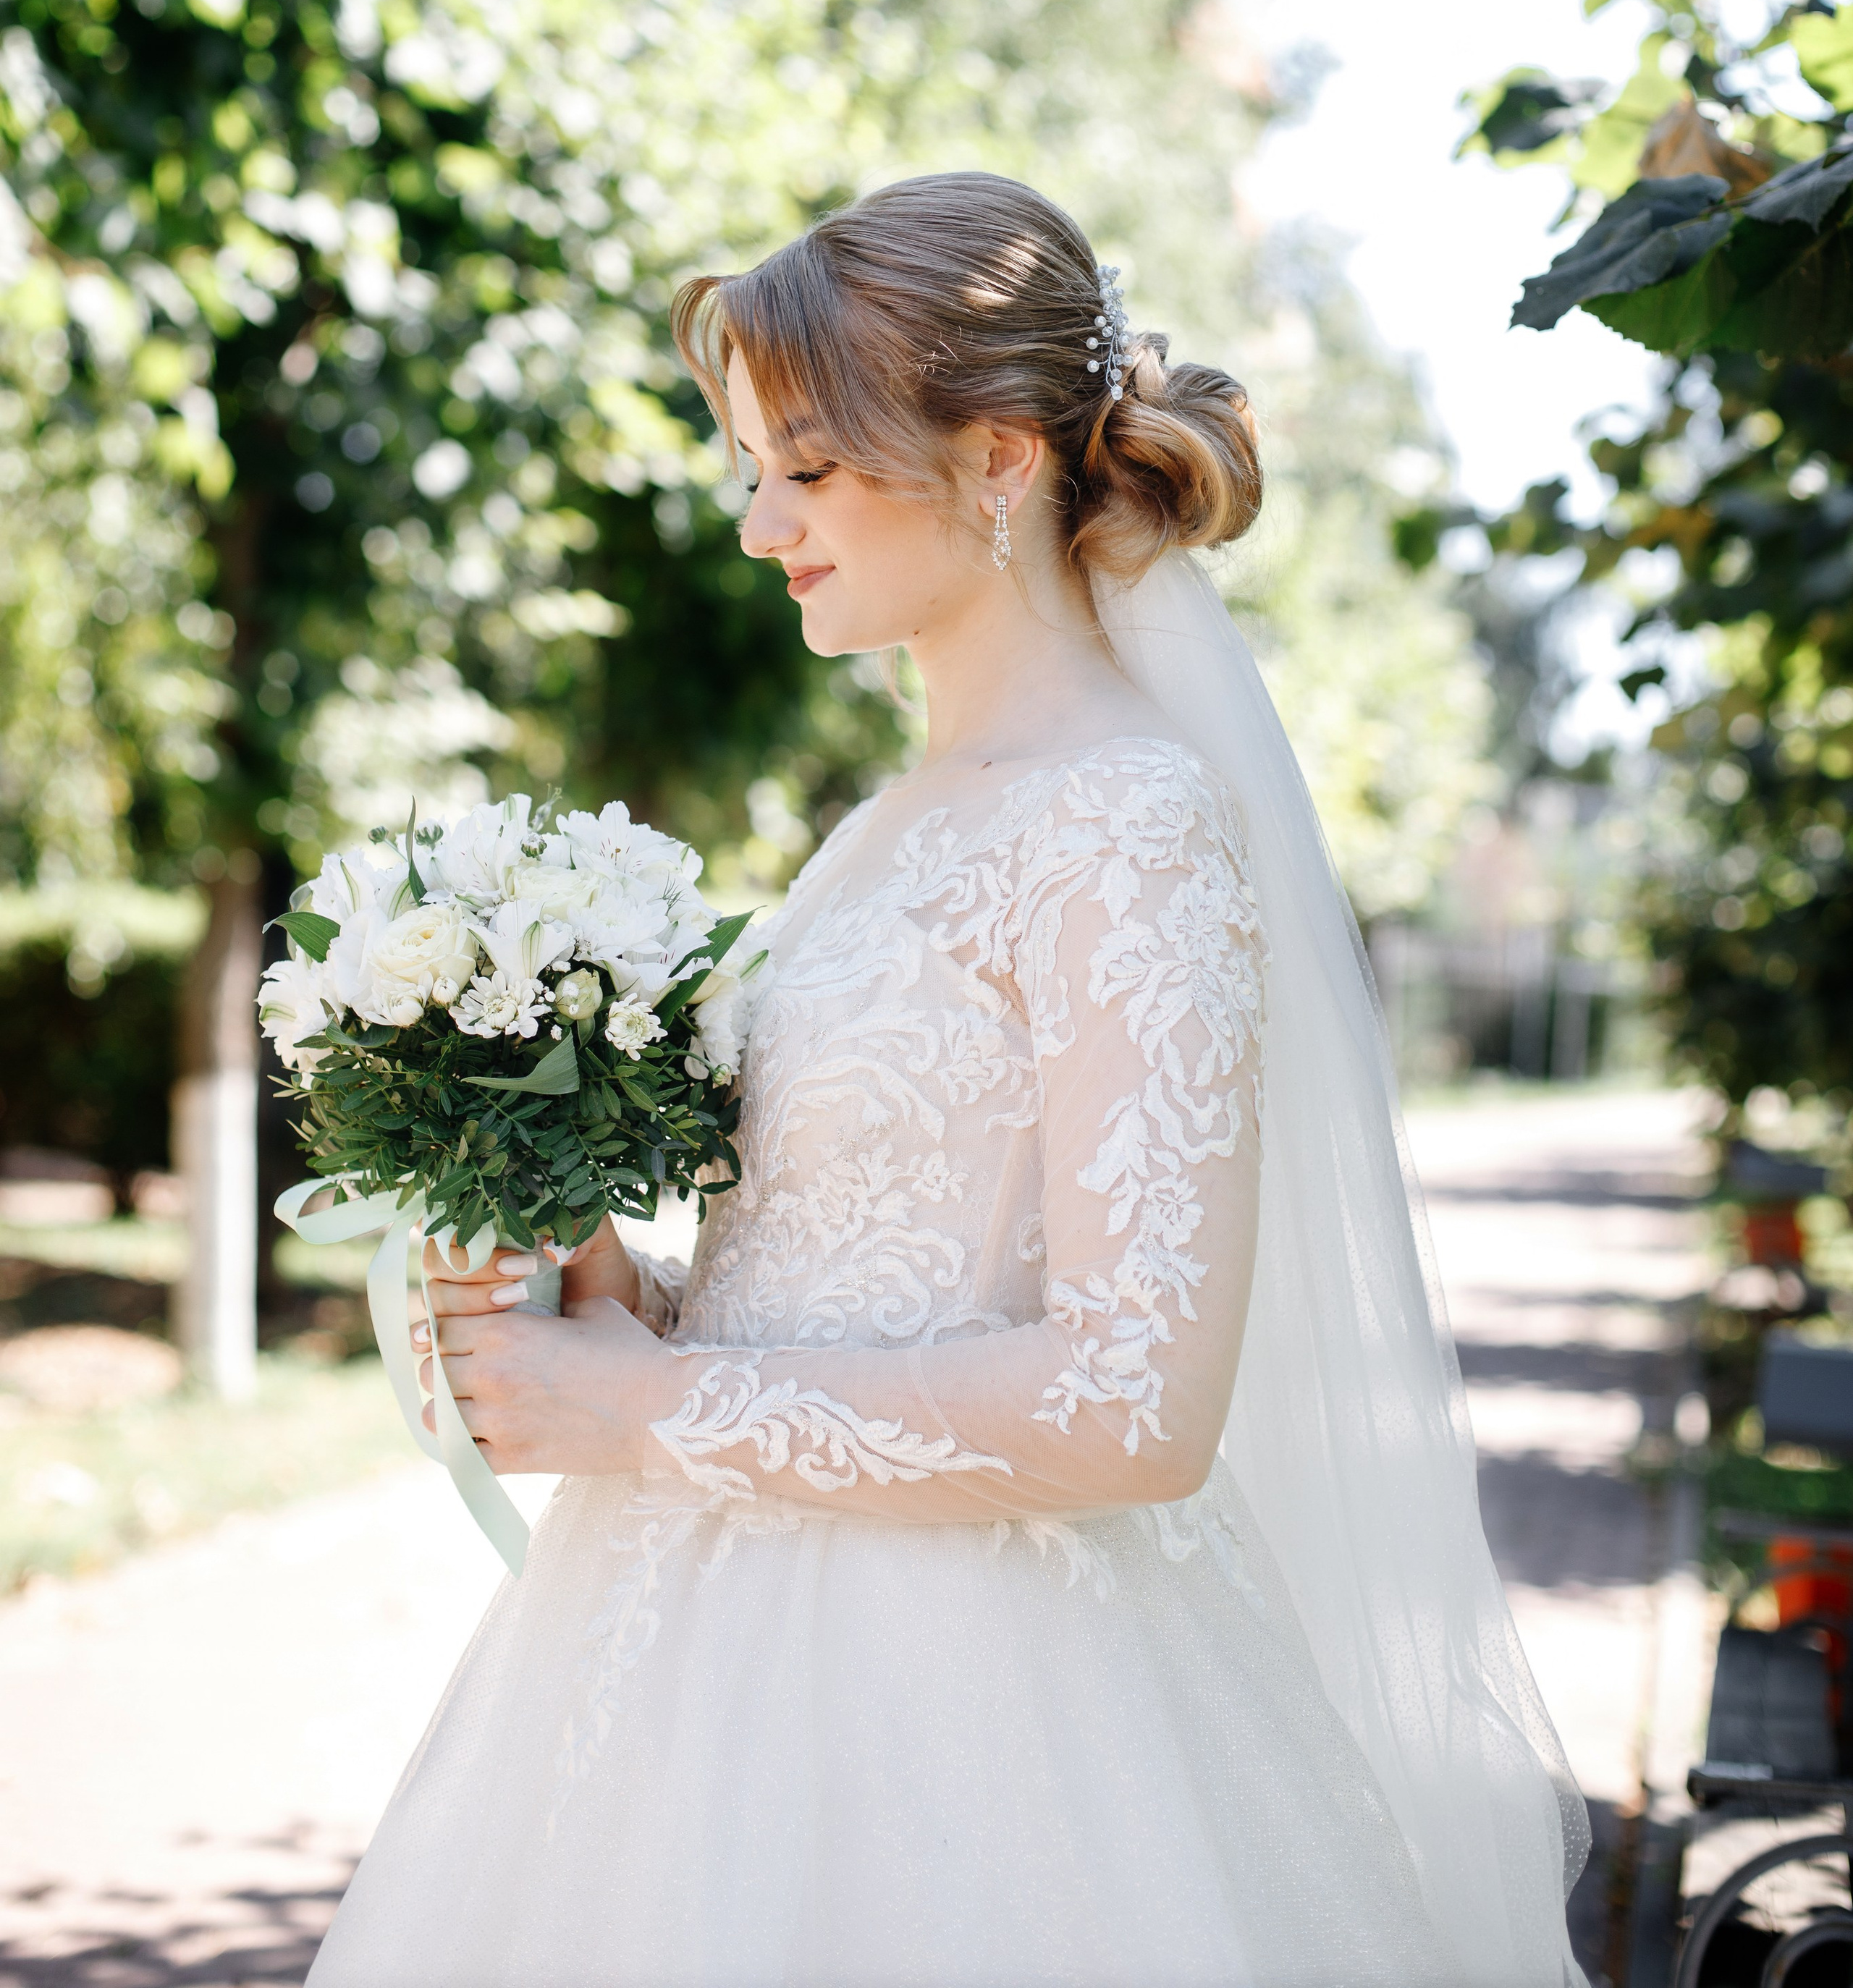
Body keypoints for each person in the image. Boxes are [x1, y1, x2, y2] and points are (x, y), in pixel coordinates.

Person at [308, 172, 1589, 1988]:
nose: (759, 525)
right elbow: (840, 1278)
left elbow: (1136, 1404)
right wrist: (637, 1310)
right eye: (748, 467)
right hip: (686, 1648)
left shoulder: (1126, 826)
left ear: (996, 462)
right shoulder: (881, 830)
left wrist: (636, 1416)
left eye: (806, 469)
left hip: (994, 1728)